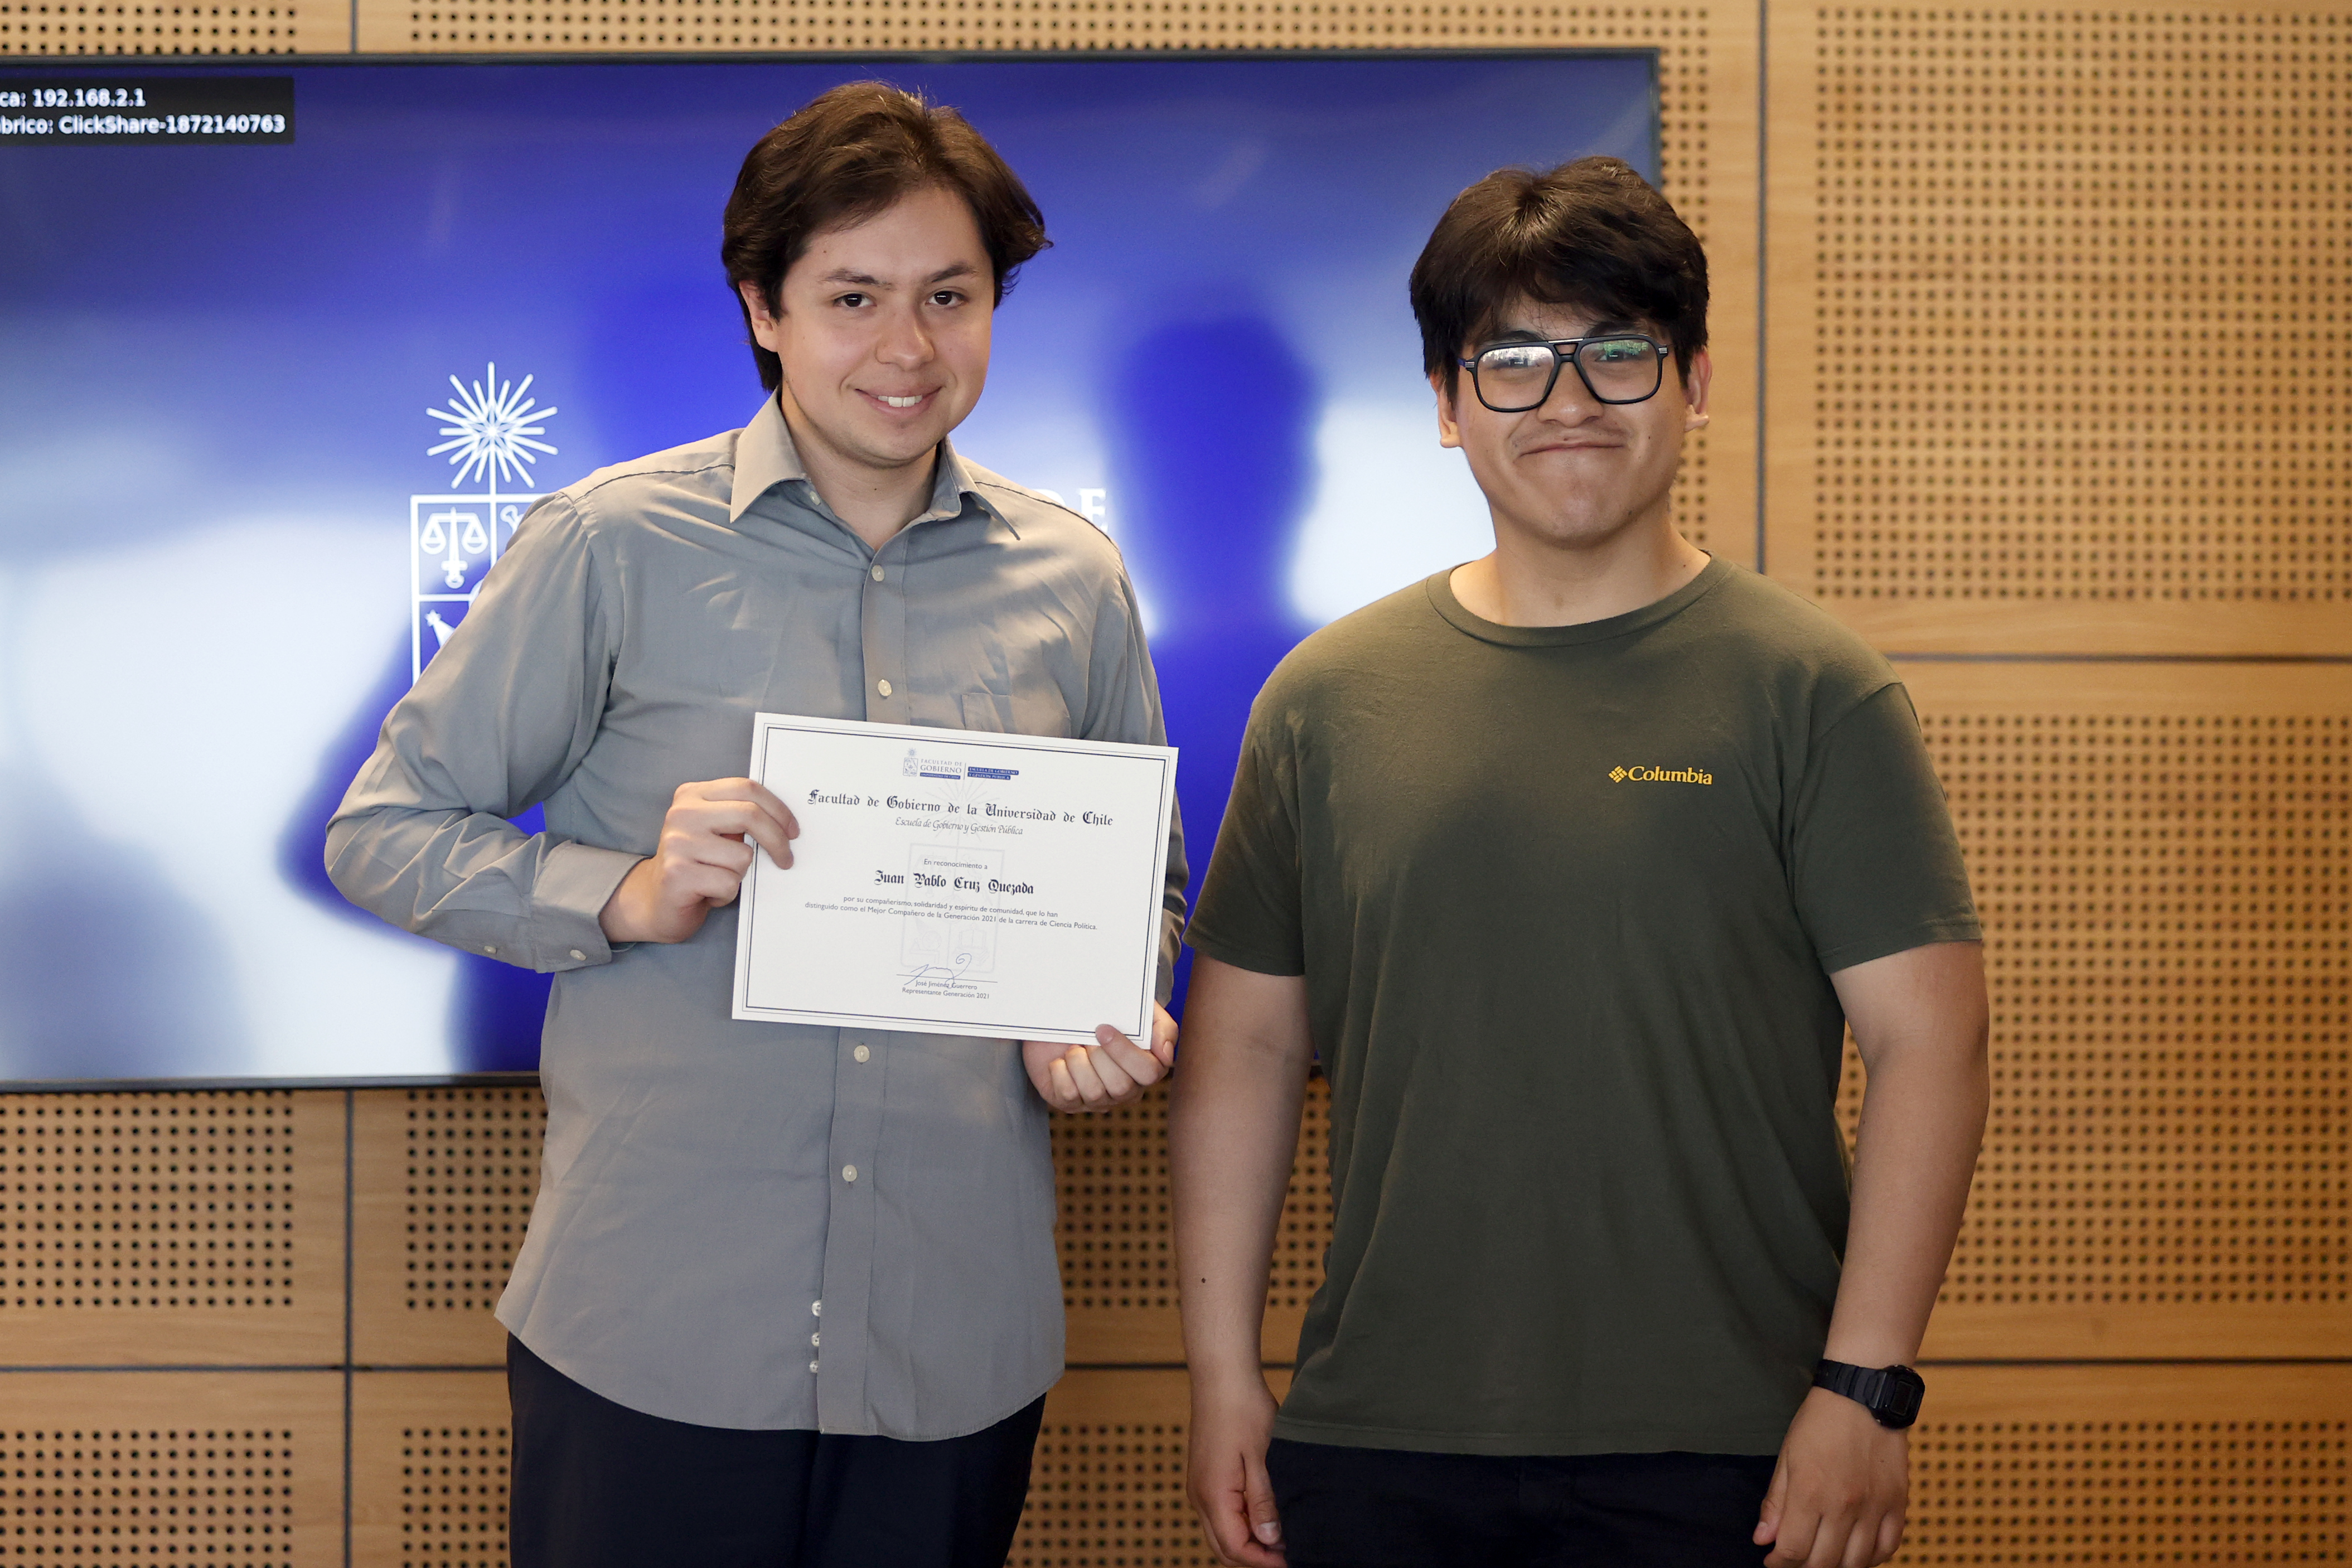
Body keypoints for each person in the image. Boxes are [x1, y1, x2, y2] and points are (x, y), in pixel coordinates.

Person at [327, 83, 1185, 1568]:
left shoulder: (1074, 578)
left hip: (950, 1340)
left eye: (950, 296)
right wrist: (624, 892)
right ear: (763, 308)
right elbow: (384, 828)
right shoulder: (611, 543)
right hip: (656, 1331)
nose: (907, 347)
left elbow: (1143, 892)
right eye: (853, 297)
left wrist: (1100, 1007)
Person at [1170, 156, 1988, 1568]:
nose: (1567, 400)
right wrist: (1222, 1369)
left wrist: (1865, 1385)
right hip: (1383, 1439)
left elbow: (1933, 1043)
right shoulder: (1325, 698)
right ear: (1446, 405)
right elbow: (1242, 1051)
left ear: (1695, 381)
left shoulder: (1813, 689)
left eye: (1618, 352)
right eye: (1511, 361)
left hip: (1735, 1445)